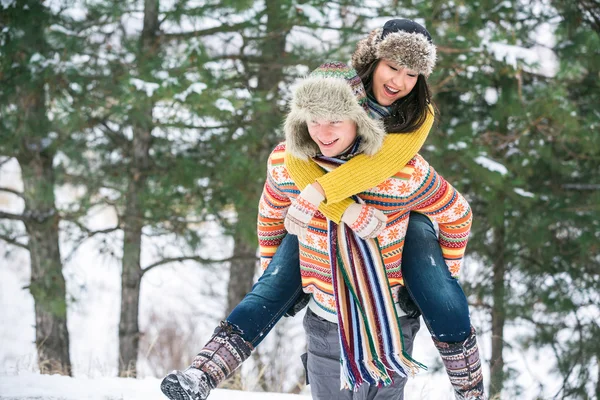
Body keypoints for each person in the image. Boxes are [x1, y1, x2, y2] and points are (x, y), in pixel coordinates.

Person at [161, 19, 485, 400]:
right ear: (372, 61)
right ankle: (202, 374)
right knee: (270, 286)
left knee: (439, 288)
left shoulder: (412, 137)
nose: (399, 80)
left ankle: (471, 390)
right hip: (321, 249)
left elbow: (392, 172)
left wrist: (439, 273)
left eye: (411, 72)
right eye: (392, 66)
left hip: (393, 239)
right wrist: (329, 217)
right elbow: (281, 186)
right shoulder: (328, 101)